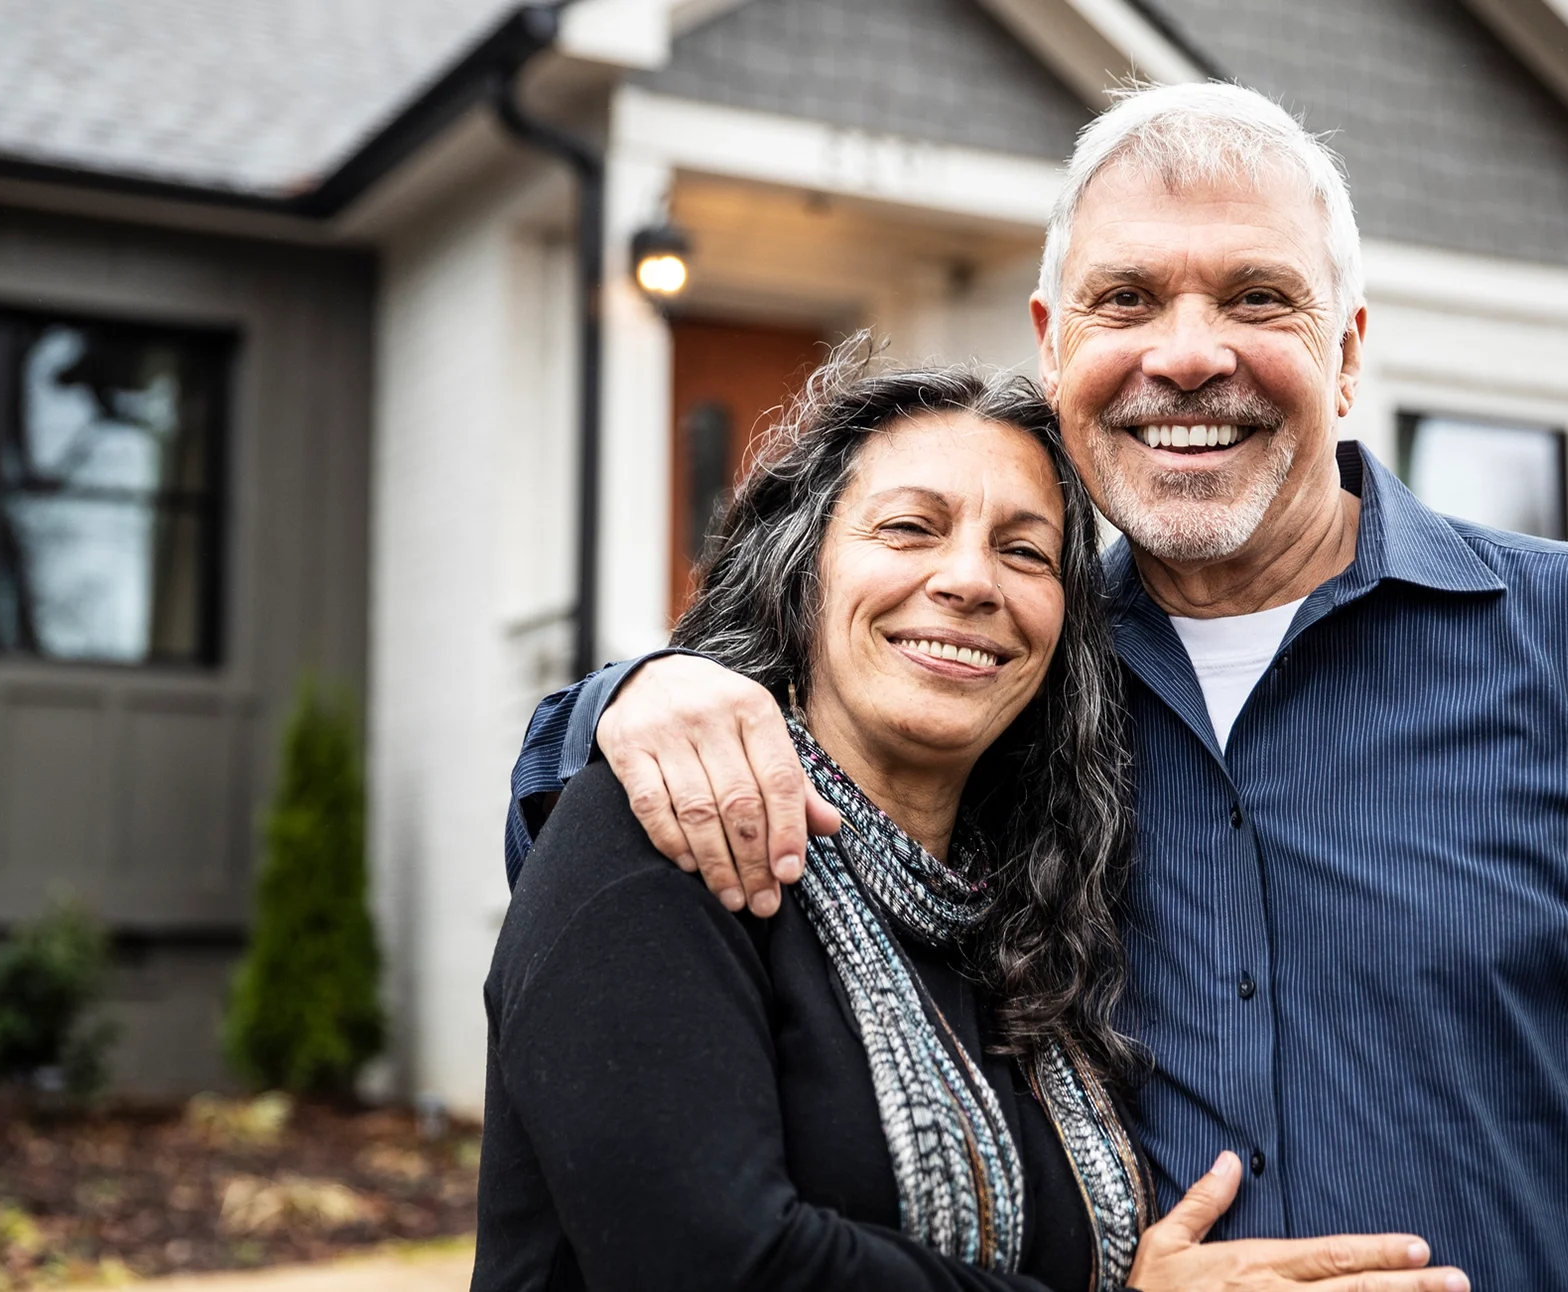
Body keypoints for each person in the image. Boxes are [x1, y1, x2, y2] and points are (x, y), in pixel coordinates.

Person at [506, 83, 1568, 1288]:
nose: (1190, 353)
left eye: (1259, 296)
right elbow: (729, 806)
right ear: (1056, 341)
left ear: (1345, 350)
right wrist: (634, 693)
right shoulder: (1004, 689)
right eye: (1128, 298)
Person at [473, 356, 1473, 1291]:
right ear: (802, 571)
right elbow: (717, 1260)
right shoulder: (676, 830)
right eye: (909, 528)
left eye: (1022, 550)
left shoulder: (1015, 931)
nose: (968, 580)